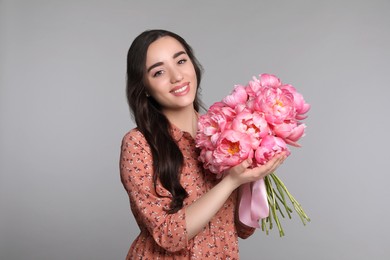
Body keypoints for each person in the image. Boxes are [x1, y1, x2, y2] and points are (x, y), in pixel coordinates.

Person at [120, 29, 286, 259]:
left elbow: (242, 228)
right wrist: (231, 182)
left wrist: (256, 171)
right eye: (158, 72)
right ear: (145, 88)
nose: (177, 76)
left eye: (181, 60)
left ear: (193, 64)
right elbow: (169, 235)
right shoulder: (138, 144)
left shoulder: (226, 133)